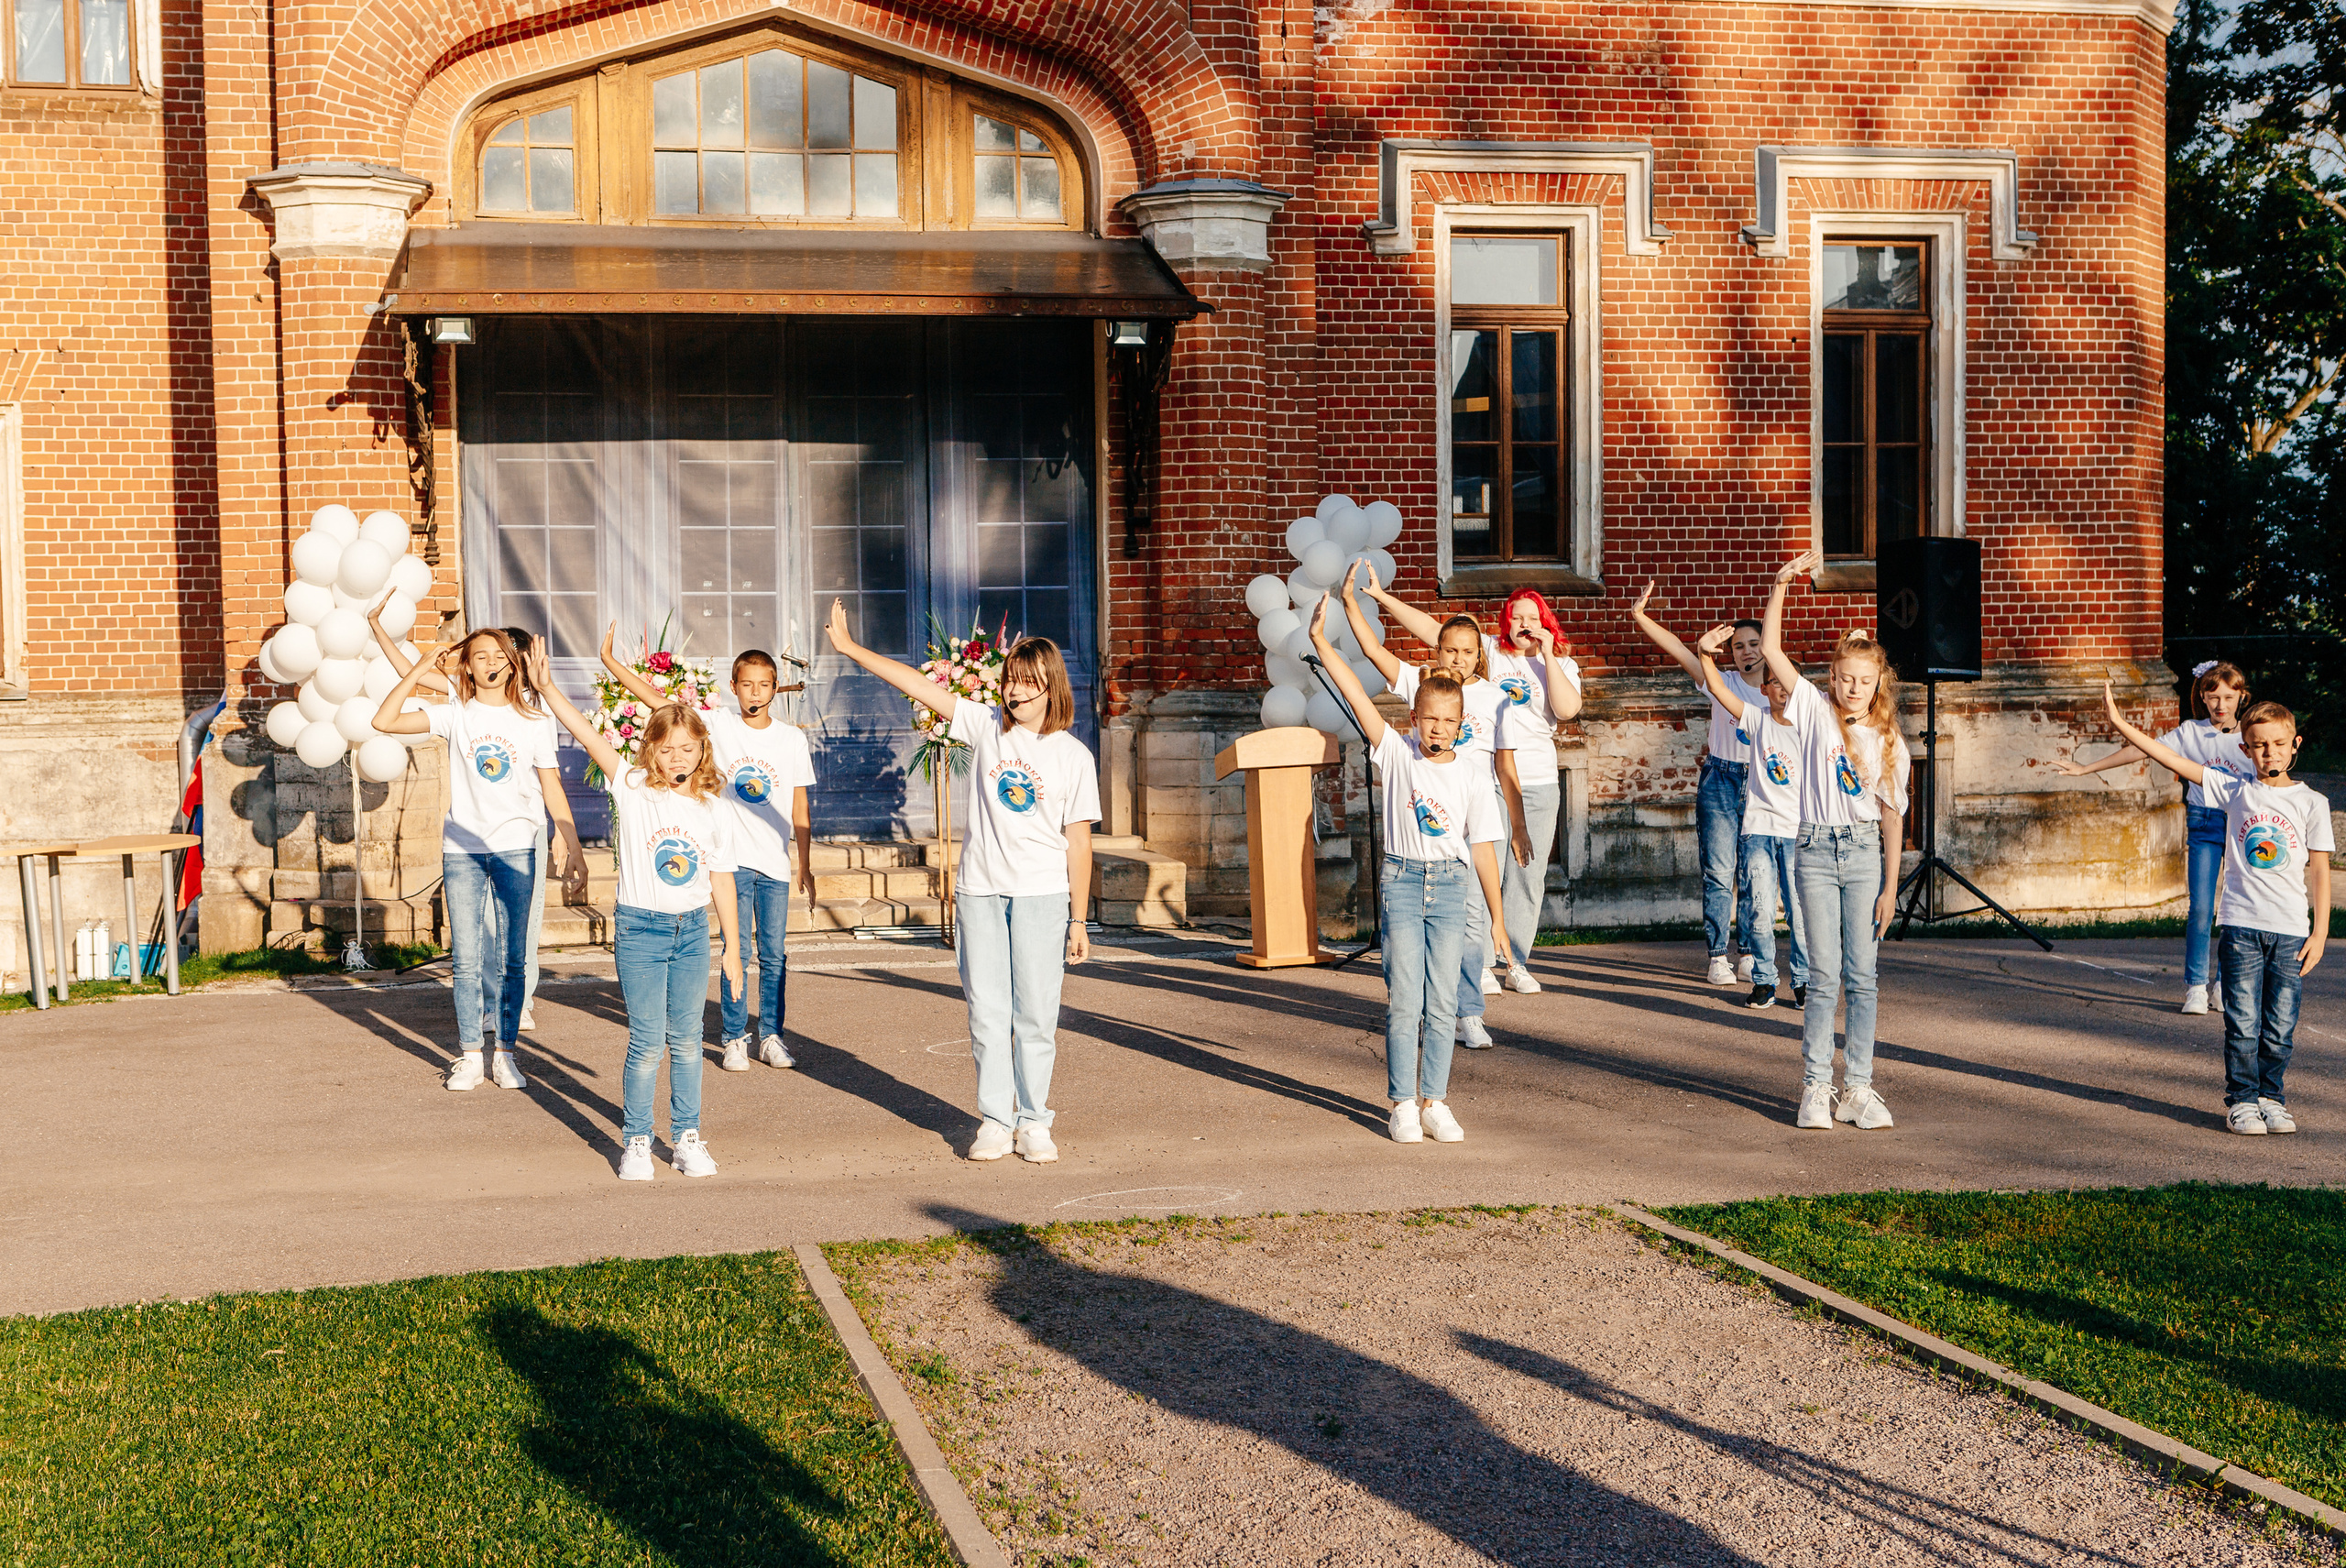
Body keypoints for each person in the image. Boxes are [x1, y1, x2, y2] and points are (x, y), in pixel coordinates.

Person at [825, 598, 1097, 1164]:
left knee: (1037, 1014)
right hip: (980, 891)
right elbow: (920, 686)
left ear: (1052, 688)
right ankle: (996, 1121)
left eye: (1029, 684)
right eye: (1011, 682)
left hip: (1043, 895)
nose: (1016, 693)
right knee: (987, 1012)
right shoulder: (984, 727)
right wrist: (852, 651)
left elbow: (1080, 842)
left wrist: (1078, 918)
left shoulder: (1073, 756)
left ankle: (1035, 1121)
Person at [527, 641, 744, 1179]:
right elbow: (585, 731)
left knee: (688, 1040)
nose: (678, 759)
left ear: (702, 752)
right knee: (648, 1042)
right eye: (667, 749)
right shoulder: (631, 787)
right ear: (651, 751)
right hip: (641, 931)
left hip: (692, 932)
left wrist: (734, 949)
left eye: (688, 749)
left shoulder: (715, 809)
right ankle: (638, 1141)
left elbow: (721, 879)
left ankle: (688, 1136)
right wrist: (548, 687)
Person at [1309, 592, 1511, 1145]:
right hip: (1402, 882)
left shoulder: (1472, 775)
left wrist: (1495, 920)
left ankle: (1436, 1101)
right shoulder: (1396, 753)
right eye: (1429, 719)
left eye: (1449, 721)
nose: (1438, 729)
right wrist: (1324, 643)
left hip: (1449, 886)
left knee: (1444, 1001)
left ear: (1461, 723)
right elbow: (1356, 694)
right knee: (1405, 1000)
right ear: (1415, 717)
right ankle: (1401, 1102)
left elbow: (1485, 850)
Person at [2096, 690, 2328, 1135]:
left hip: (2291, 933)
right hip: (2241, 927)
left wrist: (2319, 934)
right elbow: (2168, 756)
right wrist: (2121, 724)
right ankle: (2242, 1101)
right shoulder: (2233, 789)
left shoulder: (2311, 802)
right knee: (2242, 1023)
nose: (2269, 752)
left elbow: (2319, 871)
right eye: (2259, 745)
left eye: (2279, 744)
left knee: (2279, 1026)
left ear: (2295, 745)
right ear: (2244, 750)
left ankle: (2271, 1097)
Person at [600, 628, 816, 1072]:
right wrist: (612, 664)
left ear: (777, 688)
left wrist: (805, 863)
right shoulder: (716, 726)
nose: (756, 692)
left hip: (773, 861)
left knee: (774, 953)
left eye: (765, 684)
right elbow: (661, 704)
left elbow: (799, 804)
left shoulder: (792, 739)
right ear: (733, 687)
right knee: (735, 949)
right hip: (728, 861)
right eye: (747, 684)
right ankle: (735, 1036)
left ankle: (771, 1035)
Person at [372, 629, 578, 1092]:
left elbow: (551, 786)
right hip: (462, 850)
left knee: (513, 958)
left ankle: (505, 1054)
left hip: (516, 847)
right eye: (477, 656)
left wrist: (570, 840)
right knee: (465, 959)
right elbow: (384, 721)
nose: (488, 663)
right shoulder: (455, 714)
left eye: (497, 656)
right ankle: (469, 1055)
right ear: (465, 665)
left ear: (513, 663)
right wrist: (423, 666)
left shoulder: (534, 720)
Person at [1755, 551, 1909, 1131]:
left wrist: (1892, 887)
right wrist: (1780, 586)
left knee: (1864, 976)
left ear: (1877, 684)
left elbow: (1892, 819)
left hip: (1866, 854)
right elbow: (1771, 652)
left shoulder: (1889, 739)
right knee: (1823, 975)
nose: (1853, 688)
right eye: (1845, 678)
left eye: (1864, 681)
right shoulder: (1815, 712)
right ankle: (1816, 1088)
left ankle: (1860, 1089)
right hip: (1815, 850)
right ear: (1834, 677)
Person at [1346, 567, 1529, 1047]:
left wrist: (1518, 823)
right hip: (1426, 809)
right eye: (1450, 649)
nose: (1459, 658)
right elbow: (1372, 652)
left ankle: (1467, 1011)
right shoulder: (1421, 685)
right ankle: (1421, 1004)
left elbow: (1505, 765)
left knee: (1471, 916)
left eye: (1469, 651)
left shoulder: (1494, 698)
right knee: (1422, 923)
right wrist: (1364, 602)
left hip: (1476, 807)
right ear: (1438, 651)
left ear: (1480, 657)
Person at [2048, 660, 2252, 1015]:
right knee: (2202, 908)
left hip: (2240, 824)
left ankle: (2224, 985)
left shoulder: (2250, 735)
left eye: (2229, 697)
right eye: (2213, 696)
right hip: (2204, 823)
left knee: (2234, 911)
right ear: (2202, 698)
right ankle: (2196, 988)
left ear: (2241, 698)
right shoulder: (2190, 732)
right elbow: (2142, 749)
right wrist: (2086, 768)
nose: (2221, 705)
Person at [1630, 584, 1763, 986]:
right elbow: (1680, 650)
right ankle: (1718, 955)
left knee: (1757, 873)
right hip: (1721, 780)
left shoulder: (1783, 692)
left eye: (1754, 644)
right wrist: (1641, 617)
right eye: (1738, 646)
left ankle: (1752, 953)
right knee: (1720, 872)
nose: (1747, 652)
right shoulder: (1719, 680)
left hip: (1762, 784)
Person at [1694, 633, 1809, 1011]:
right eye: (1774, 683)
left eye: (1788, 683)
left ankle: (1804, 980)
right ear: (1765, 689)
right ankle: (1763, 980)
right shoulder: (1757, 720)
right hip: (1760, 830)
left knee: (1798, 909)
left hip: (1794, 832)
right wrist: (1706, 654)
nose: (1782, 690)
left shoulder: (1810, 727)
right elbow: (1717, 688)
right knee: (1760, 908)